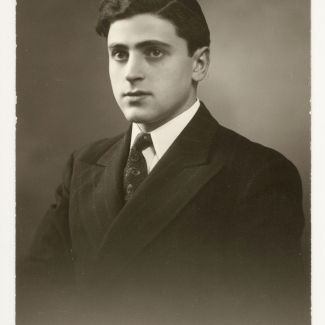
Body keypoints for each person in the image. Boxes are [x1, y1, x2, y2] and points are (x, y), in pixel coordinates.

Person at [18, 0, 309, 324]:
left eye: (154, 52)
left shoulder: (257, 172)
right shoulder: (83, 164)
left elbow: (268, 314)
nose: (131, 73)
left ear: (199, 63)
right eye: (119, 54)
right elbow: (35, 291)